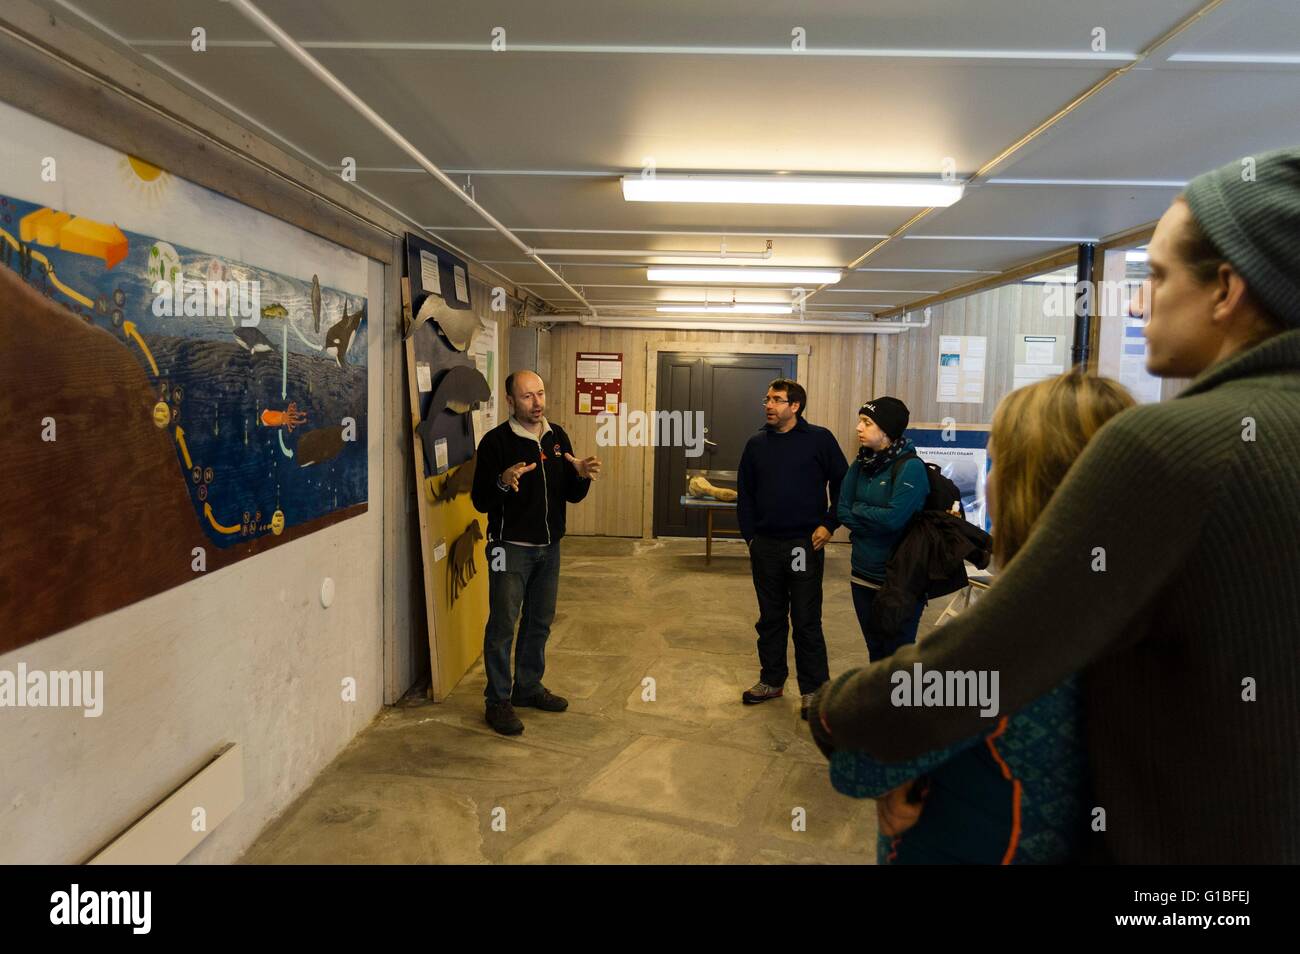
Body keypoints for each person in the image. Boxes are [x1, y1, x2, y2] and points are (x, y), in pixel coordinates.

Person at [810, 147, 1300, 863]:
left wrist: (837, 713)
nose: (1135, 302)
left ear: (1225, 288)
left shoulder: (1181, 445)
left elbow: (997, 654)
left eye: (1156, 278)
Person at [830, 372, 1135, 864]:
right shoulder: (1140, 609)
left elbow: (852, 743)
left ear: (1021, 486)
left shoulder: (1010, 637)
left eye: (999, 464)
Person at [470, 370, 601, 736]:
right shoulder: (495, 443)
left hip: (549, 547)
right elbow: (481, 500)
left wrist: (581, 475)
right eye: (527, 396)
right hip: (508, 548)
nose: (537, 402)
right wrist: (502, 481)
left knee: (539, 622)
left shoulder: (555, 436)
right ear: (510, 401)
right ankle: (497, 701)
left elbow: (570, 496)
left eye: (540, 393)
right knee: (502, 626)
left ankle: (527, 687)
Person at [737, 378, 848, 719]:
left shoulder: (819, 439)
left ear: (795, 406)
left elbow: (844, 482)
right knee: (770, 618)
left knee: (805, 619)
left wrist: (829, 524)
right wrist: (751, 538)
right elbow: (746, 494)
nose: (768, 405)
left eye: (777, 400)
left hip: (804, 544)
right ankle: (771, 680)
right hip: (766, 545)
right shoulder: (756, 444)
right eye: (767, 398)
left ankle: (814, 690)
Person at [837, 397, 929, 661]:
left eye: (867, 422)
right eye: (860, 421)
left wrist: (860, 509)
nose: (858, 427)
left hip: (899, 579)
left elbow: (894, 520)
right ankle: (879, 702)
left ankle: (898, 703)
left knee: (898, 655)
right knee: (875, 650)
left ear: (887, 430)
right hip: (862, 574)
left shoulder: (910, 468)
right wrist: (867, 517)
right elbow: (842, 510)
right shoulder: (861, 463)